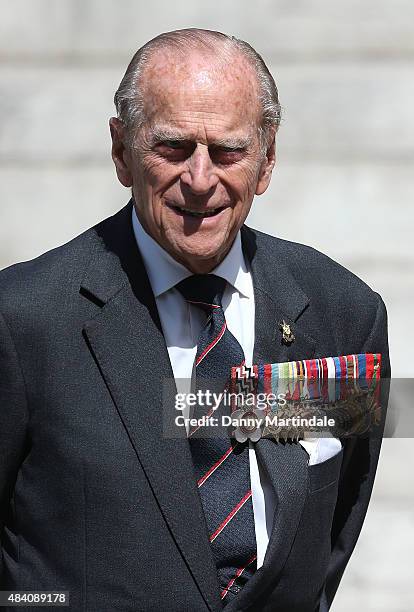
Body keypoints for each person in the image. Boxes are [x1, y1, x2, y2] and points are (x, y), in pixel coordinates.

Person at [0, 29, 390, 611]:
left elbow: (336, 524)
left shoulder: (344, 313)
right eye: (173, 148)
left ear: (267, 159)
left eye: (229, 151)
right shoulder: (24, 317)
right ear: (120, 151)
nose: (202, 180)